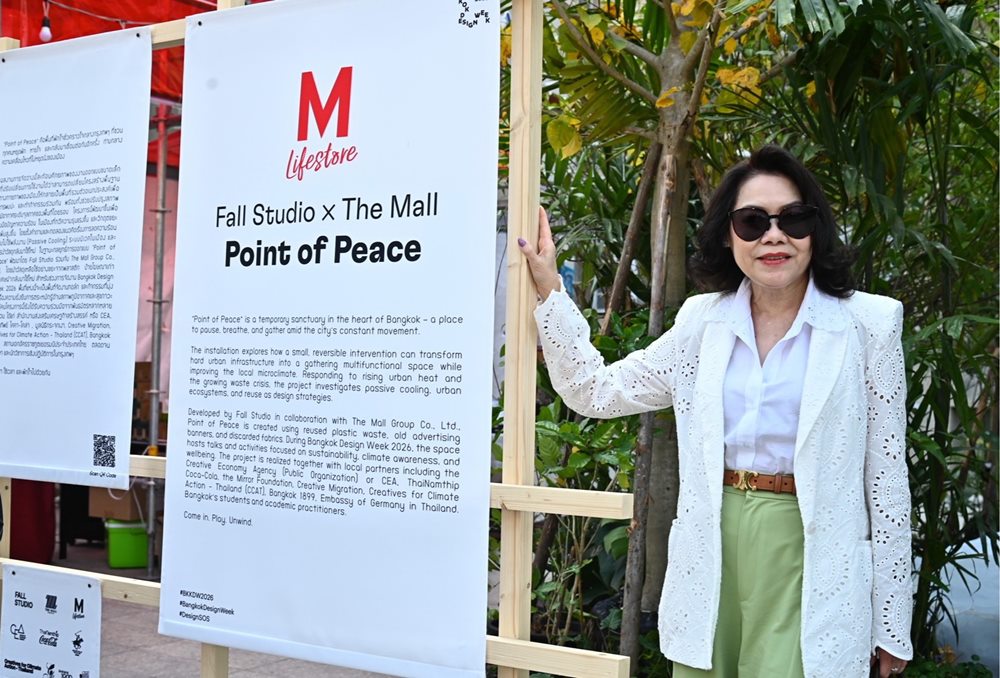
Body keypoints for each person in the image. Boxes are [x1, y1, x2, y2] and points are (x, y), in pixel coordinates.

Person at [517, 145, 913, 678]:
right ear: (729, 235)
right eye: (753, 222)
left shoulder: (869, 325)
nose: (774, 236)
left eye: (793, 219)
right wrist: (550, 288)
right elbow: (597, 392)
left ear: (815, 229)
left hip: (814, 551)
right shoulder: (701, 323)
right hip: (710, 544)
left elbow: (887, 481)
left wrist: (892, 623)